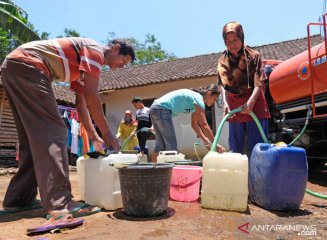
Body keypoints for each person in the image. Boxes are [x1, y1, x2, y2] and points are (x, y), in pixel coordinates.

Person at [0, 37, 135, 218]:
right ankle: (60, 203)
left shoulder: (82, 68)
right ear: (116, 49)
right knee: (54, 132)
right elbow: (92, 95)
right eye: (123, 61)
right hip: (29, 65)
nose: (122, 66)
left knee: (33, 139)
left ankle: (18, 199)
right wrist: (107, 132)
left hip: (15, 66)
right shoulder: (94, 51)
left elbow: (81, 104)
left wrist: (94, 136)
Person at [217, 22, 270, 155]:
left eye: (235, 40)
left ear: (242, 37)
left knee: (258, 149)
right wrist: (225, 103)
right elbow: (222, 85)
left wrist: (251, 102)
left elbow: (259, 82)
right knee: (235, 149)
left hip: (254, 104)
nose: (232, 44)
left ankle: (259, 176)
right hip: (234, 107)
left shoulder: (253, 56)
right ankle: (238, 175)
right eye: (228, 41)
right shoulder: (223, 60)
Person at [150, 84, 226, 162]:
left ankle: (153, 172)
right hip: (162, 109)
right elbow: (204, 125)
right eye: (214, 99)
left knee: (160, 145)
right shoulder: (198, 100)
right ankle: (171, 172)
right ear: (209, 93)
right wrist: (215, 143)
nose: (214, 102)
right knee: (171, 145)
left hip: (156, 107)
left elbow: (194, 125)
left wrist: (206, 141)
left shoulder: (195, 100)